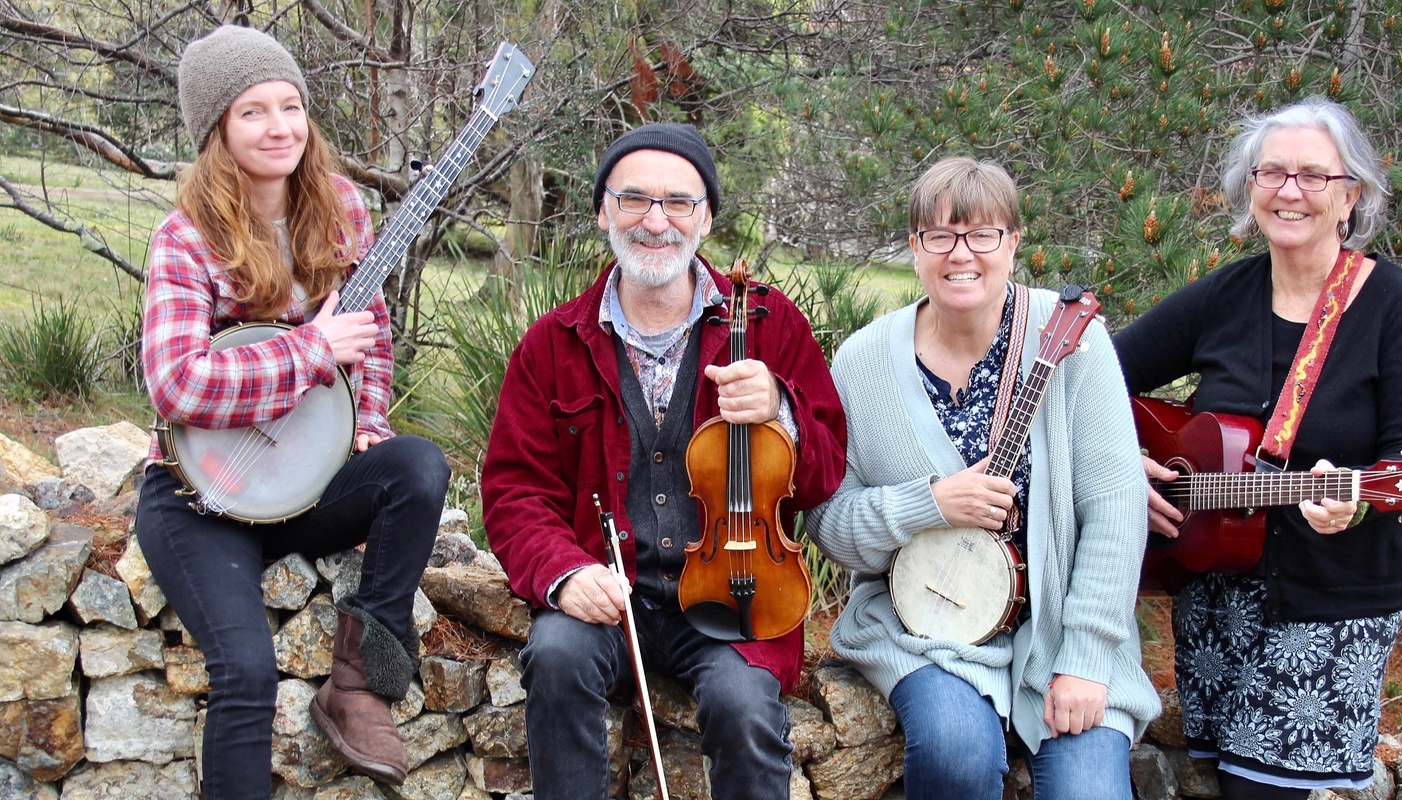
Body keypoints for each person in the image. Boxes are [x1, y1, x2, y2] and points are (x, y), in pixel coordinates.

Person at [480, 122, 848, 799]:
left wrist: (780, 410)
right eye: (635, 199)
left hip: (734, 596)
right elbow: (514, 491)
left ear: (705, 217)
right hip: (608, 594)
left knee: (743, 706)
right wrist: (563, 574)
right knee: (556, 658)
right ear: (602, 212)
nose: (657, 221)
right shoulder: (551, 343)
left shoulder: (768, 324)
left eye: (679, 202)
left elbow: (824, 473)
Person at [134, 26, 450, 796]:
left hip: (303, 488)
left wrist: (367, 420)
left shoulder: (340, 208)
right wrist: (308, 351)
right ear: (217, 129)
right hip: (198, 500)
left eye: (292, 105)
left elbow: (368, 340)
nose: (280, 127)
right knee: (244, 670)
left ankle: (358, 680)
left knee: (417, 466)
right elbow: (176, 384)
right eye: (253, 112)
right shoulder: (184, 239)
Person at [1112, 96, 1402, 799]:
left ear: (1350, 195)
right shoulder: (1224, 295)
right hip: (1214, 593)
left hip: (1334, 597)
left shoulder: (1398, 307)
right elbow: (1093, 376)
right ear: (1250, 188)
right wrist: (1123, 463)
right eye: (1272, 173)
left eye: (1313, 176)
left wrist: (1356, 503)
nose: (1289, 191)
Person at [806, 156, 1159, 800]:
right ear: (915, 248)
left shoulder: (1074, 343)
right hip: (925, 630)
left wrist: (1085, 658)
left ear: (1014, 244)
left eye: (983, 235)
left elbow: (1116, 508)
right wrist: (929, 504)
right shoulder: (863, 361)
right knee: (954, 754)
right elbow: (829, 523)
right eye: (939, 236)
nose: (960, 254)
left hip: (1059, 628)